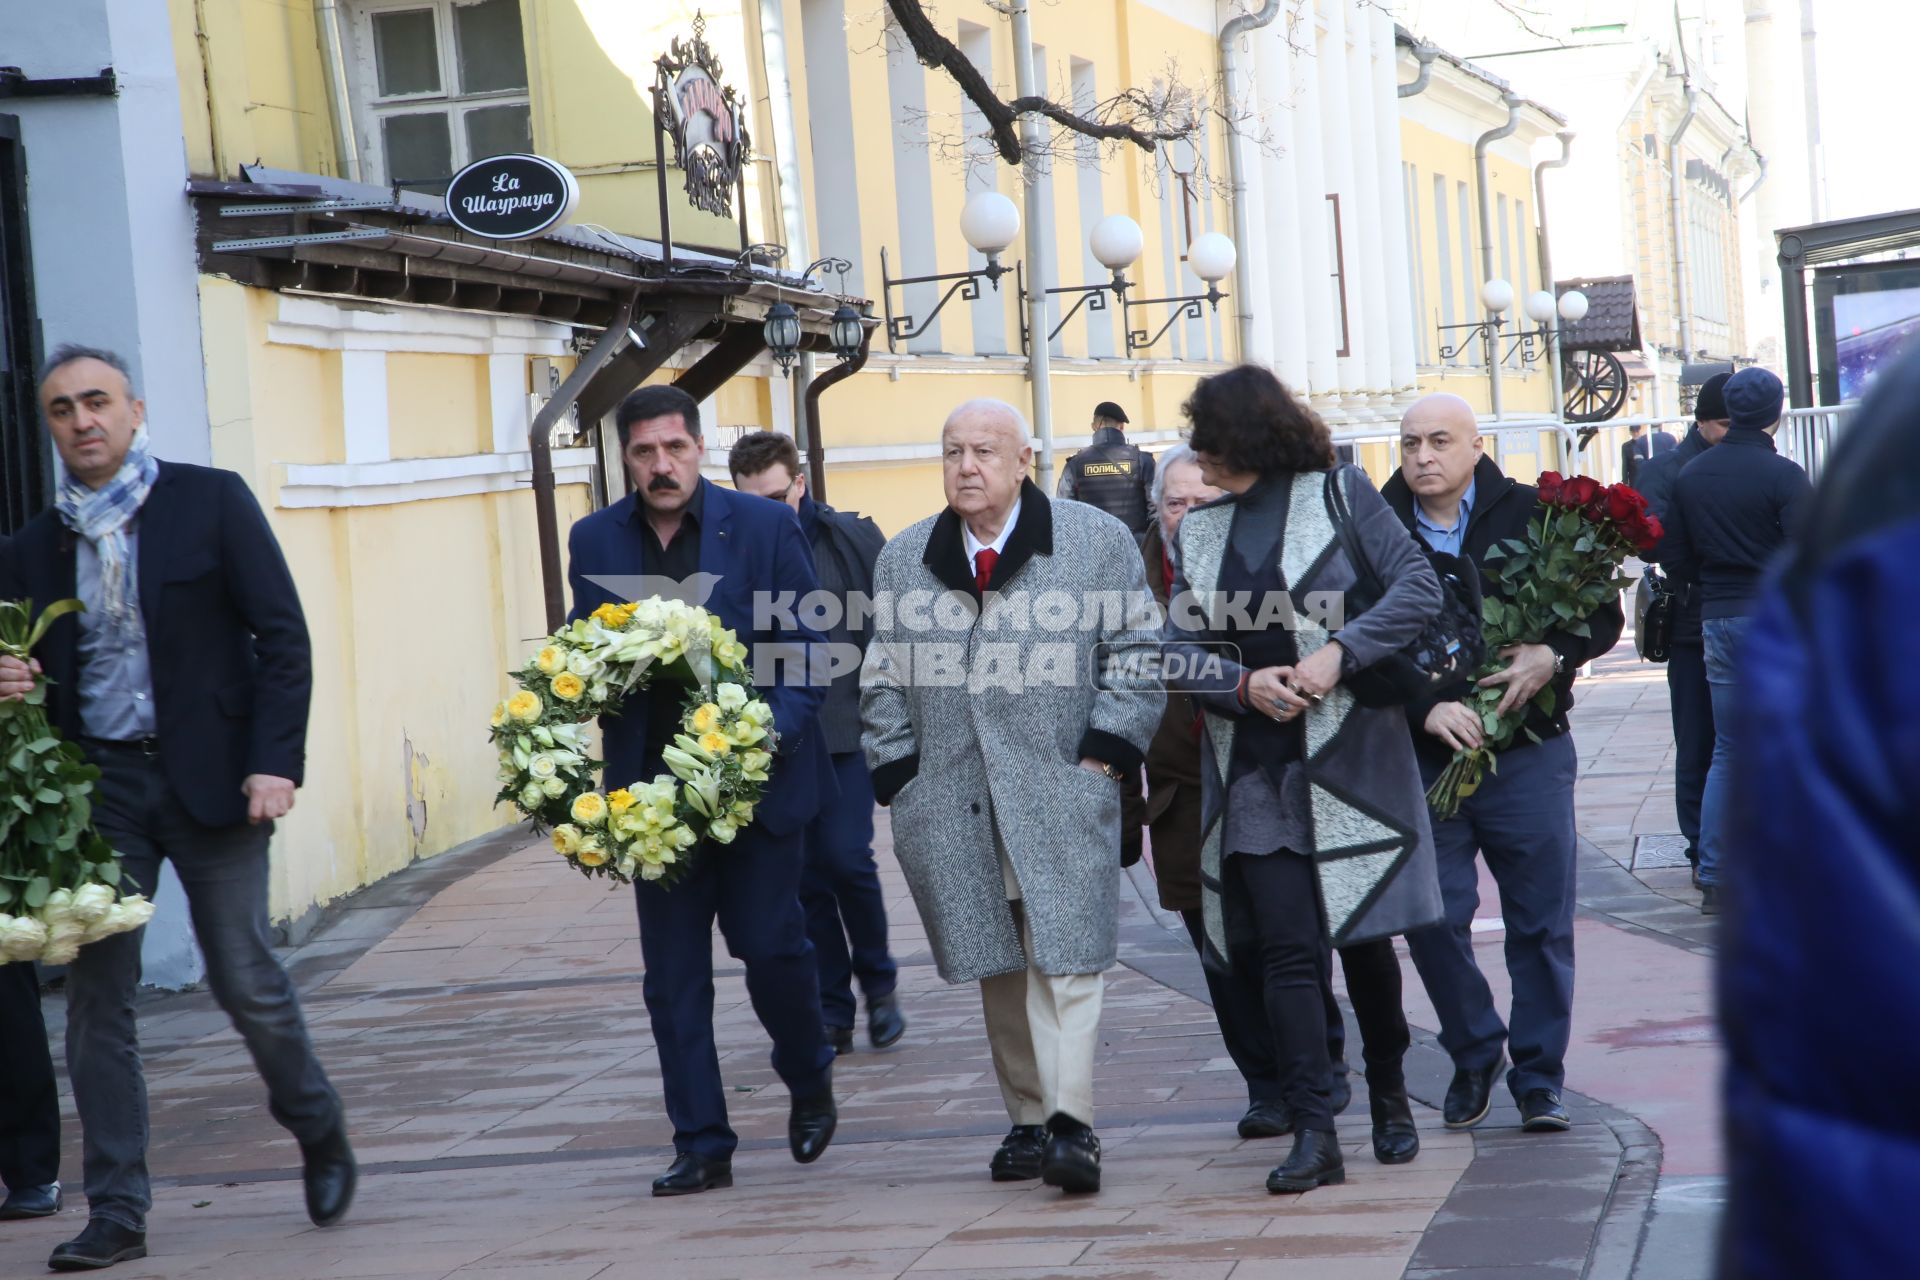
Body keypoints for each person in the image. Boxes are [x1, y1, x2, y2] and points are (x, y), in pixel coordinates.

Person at [0, 345, 353, 1271]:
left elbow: (282, 638)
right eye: (64, 409)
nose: (83, 422)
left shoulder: (210, 500)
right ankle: (117, 1209)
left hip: (218, 782)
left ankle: (315, 1122)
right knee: (95, 1000)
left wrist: (276, 763)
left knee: (243, 976)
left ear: (135, 409)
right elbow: (26, 676)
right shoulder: (32, 550)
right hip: (100, 793)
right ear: (51, 425)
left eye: (98, 403)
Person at [861, 398, 1161, 1194]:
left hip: (1062, 784)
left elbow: (1136, 651)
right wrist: (899, 774)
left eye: (985, 451)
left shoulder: (1093, 542)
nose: (967, 466)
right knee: (999, 963)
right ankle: (1028, 1120)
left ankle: (1072, 1125)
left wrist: (1102, 757)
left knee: (1065, 959)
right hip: (953, 797)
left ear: (1024, 459)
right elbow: (883, 676)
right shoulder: (903, 558)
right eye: (954, 451)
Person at [1161, 365, 1445, 1193]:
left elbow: (1417, 589)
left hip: (1350, 760)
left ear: (1243, 434)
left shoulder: (1342, 494)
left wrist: (1337, 652)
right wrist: (1241, 686)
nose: (1196, 452)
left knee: (1363, 943)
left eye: (1206, 435)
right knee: (1285, 952)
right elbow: (1177, 651)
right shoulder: (1199, 532)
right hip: (1252, 767)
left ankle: (1390, 1091)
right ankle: (1315, 1131)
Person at [567, 385, 839, 1197]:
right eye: (645, 453)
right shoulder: (592, 538)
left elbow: (807, 653)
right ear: (626, 458)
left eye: (674, 449)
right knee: (672, 977)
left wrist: (758, 742)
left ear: (699, 446)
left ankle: (809, 1071)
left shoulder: (763, 526)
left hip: (755, 788)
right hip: (654, 800)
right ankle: (701, 1142)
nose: (661, 466)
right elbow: (589, 657)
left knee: (769, 947)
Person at [1717, 347, 1920, 1279]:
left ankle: (1705, 853)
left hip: (1723, 625)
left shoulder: (1888, 444)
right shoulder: (1806, 478)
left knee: (1719, 753)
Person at [1383, 392, 1623, 1137]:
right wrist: (1419, 705)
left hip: (1528, 754)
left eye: (1440, 441)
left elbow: (1602, 612)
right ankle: (1474, 1048)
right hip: (1426, 758)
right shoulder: (1373, 529)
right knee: (1431, 916)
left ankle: (1541, 1076)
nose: (1423, 456)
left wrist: (1556, 654)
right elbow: (1347, 636)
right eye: (1410, 443)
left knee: (1541, 923)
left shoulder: (1531, 514)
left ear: (1477, 445)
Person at [726, 431, 905, 1057]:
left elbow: (893, 630)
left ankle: (879, 983)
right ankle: (834, 1009)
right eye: (756, 499)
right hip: (775, 738)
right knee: (804, 880)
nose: (772, 510)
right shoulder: (732, 551)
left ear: (800, 484)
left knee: (846, 859)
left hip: (848, 730)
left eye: (779, 496)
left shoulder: (850, 539)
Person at [1660, 367, 1809, 916]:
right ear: (1777, 413)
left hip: (1716, 617)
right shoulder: (1785, 477)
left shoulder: (1693, 475)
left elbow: (1672, 556)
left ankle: (1717, 874)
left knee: (1727, 748)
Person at [1637, 372, 1730, 886]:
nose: (1734, 430)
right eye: (1724, 422)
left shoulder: (1746, 462)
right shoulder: (1668, 469)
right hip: (1693, 623)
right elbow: (1648, 541)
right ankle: (1700, 848)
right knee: (1697, 741)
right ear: (1701, 421)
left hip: (1733, 618)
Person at [1056, 401, 1155, 536]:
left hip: (1093, 551)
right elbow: (1157, 512)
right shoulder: (1143, 460)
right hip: (1137, 549)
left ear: (1095, 426)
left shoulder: (1075, 464)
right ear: (1121, 426)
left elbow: (1065, 514)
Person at [1620, 421, 1675, 490]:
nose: (1635, 433)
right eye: (1633, 432)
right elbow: (1625, 465)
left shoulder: (1644, 441)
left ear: (1639, 431)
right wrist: (1625, 482)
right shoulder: (1626, 446)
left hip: (1645, 476)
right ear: (1630, 432)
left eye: (1637, 431)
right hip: (1634, 477)